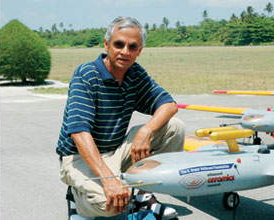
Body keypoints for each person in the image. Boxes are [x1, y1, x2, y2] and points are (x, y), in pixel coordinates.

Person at [56, 16, 185, 220]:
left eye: (132, 47)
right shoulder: (86, 74)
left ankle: (144, 198)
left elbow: (169, 105)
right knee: (111, 206)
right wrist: (108, 180)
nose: (125, 51)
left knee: (174, 128)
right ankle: (77, 199)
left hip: (115, 150)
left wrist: (146, 130)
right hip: (79, 157)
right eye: (119, 44)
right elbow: (80, 133)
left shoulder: (134, 73)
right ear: (107, 44)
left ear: (139, 51)